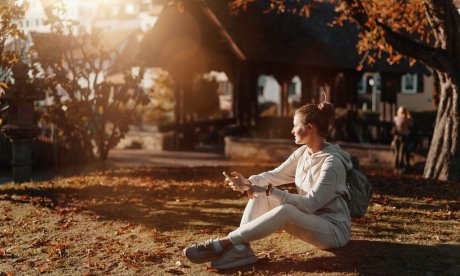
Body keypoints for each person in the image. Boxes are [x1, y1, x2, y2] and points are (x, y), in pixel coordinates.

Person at [183, 100, 353, 270]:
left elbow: (309, 204)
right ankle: (241, 249)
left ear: (310, 128)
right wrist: (248, 183)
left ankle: (224, 242)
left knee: (283, 209)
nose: (292, 130)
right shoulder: (303, 153)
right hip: (309, 219)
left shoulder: (332, 163)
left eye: (295, 125)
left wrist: (268, 190)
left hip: (333, 230)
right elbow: (275, 175)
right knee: (261, 194)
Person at [392, 106, 413, 174]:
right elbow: (411, 126)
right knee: (401, 153)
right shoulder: (406, 119)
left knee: (396, 153)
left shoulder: (395, 118)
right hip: (404, 137)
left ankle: (396, 168)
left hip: (396, 137)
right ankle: (400, 168)